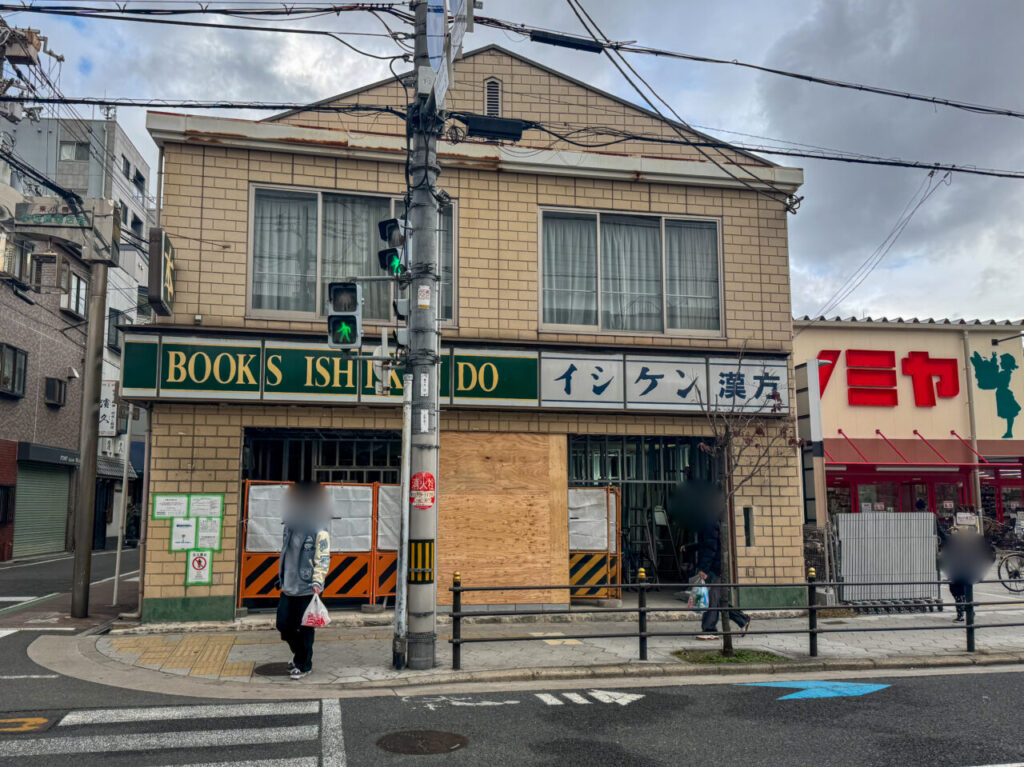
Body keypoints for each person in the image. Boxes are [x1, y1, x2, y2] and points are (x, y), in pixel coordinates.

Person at [277, 481, 331, 679]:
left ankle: (304, 664)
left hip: (309, 586)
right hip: (288, 586)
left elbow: (323, 556)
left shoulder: (319, 527)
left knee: (306, 628)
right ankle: (299, 654)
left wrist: (318, 581)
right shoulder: (289, 525)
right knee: (283, 625)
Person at [694, 514, 751, 641]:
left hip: (714, 568)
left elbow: (710, 547)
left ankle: (710, 630)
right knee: (719, 599)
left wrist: (705, 568)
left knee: (712, 599)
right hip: (718, 566)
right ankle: (742, 619)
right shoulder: (713, 519)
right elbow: (707, 543)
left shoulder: (708, 520)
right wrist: (690, 547)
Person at [938, 524, 995, 622]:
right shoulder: (975, 542)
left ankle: (962, 614)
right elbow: (990, 555)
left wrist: (936, 523)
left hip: (959, 573)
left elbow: (942, 536)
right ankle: (969, 610)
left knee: (957, 591)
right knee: (964, 592)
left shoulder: (954, 541)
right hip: (971, 573)